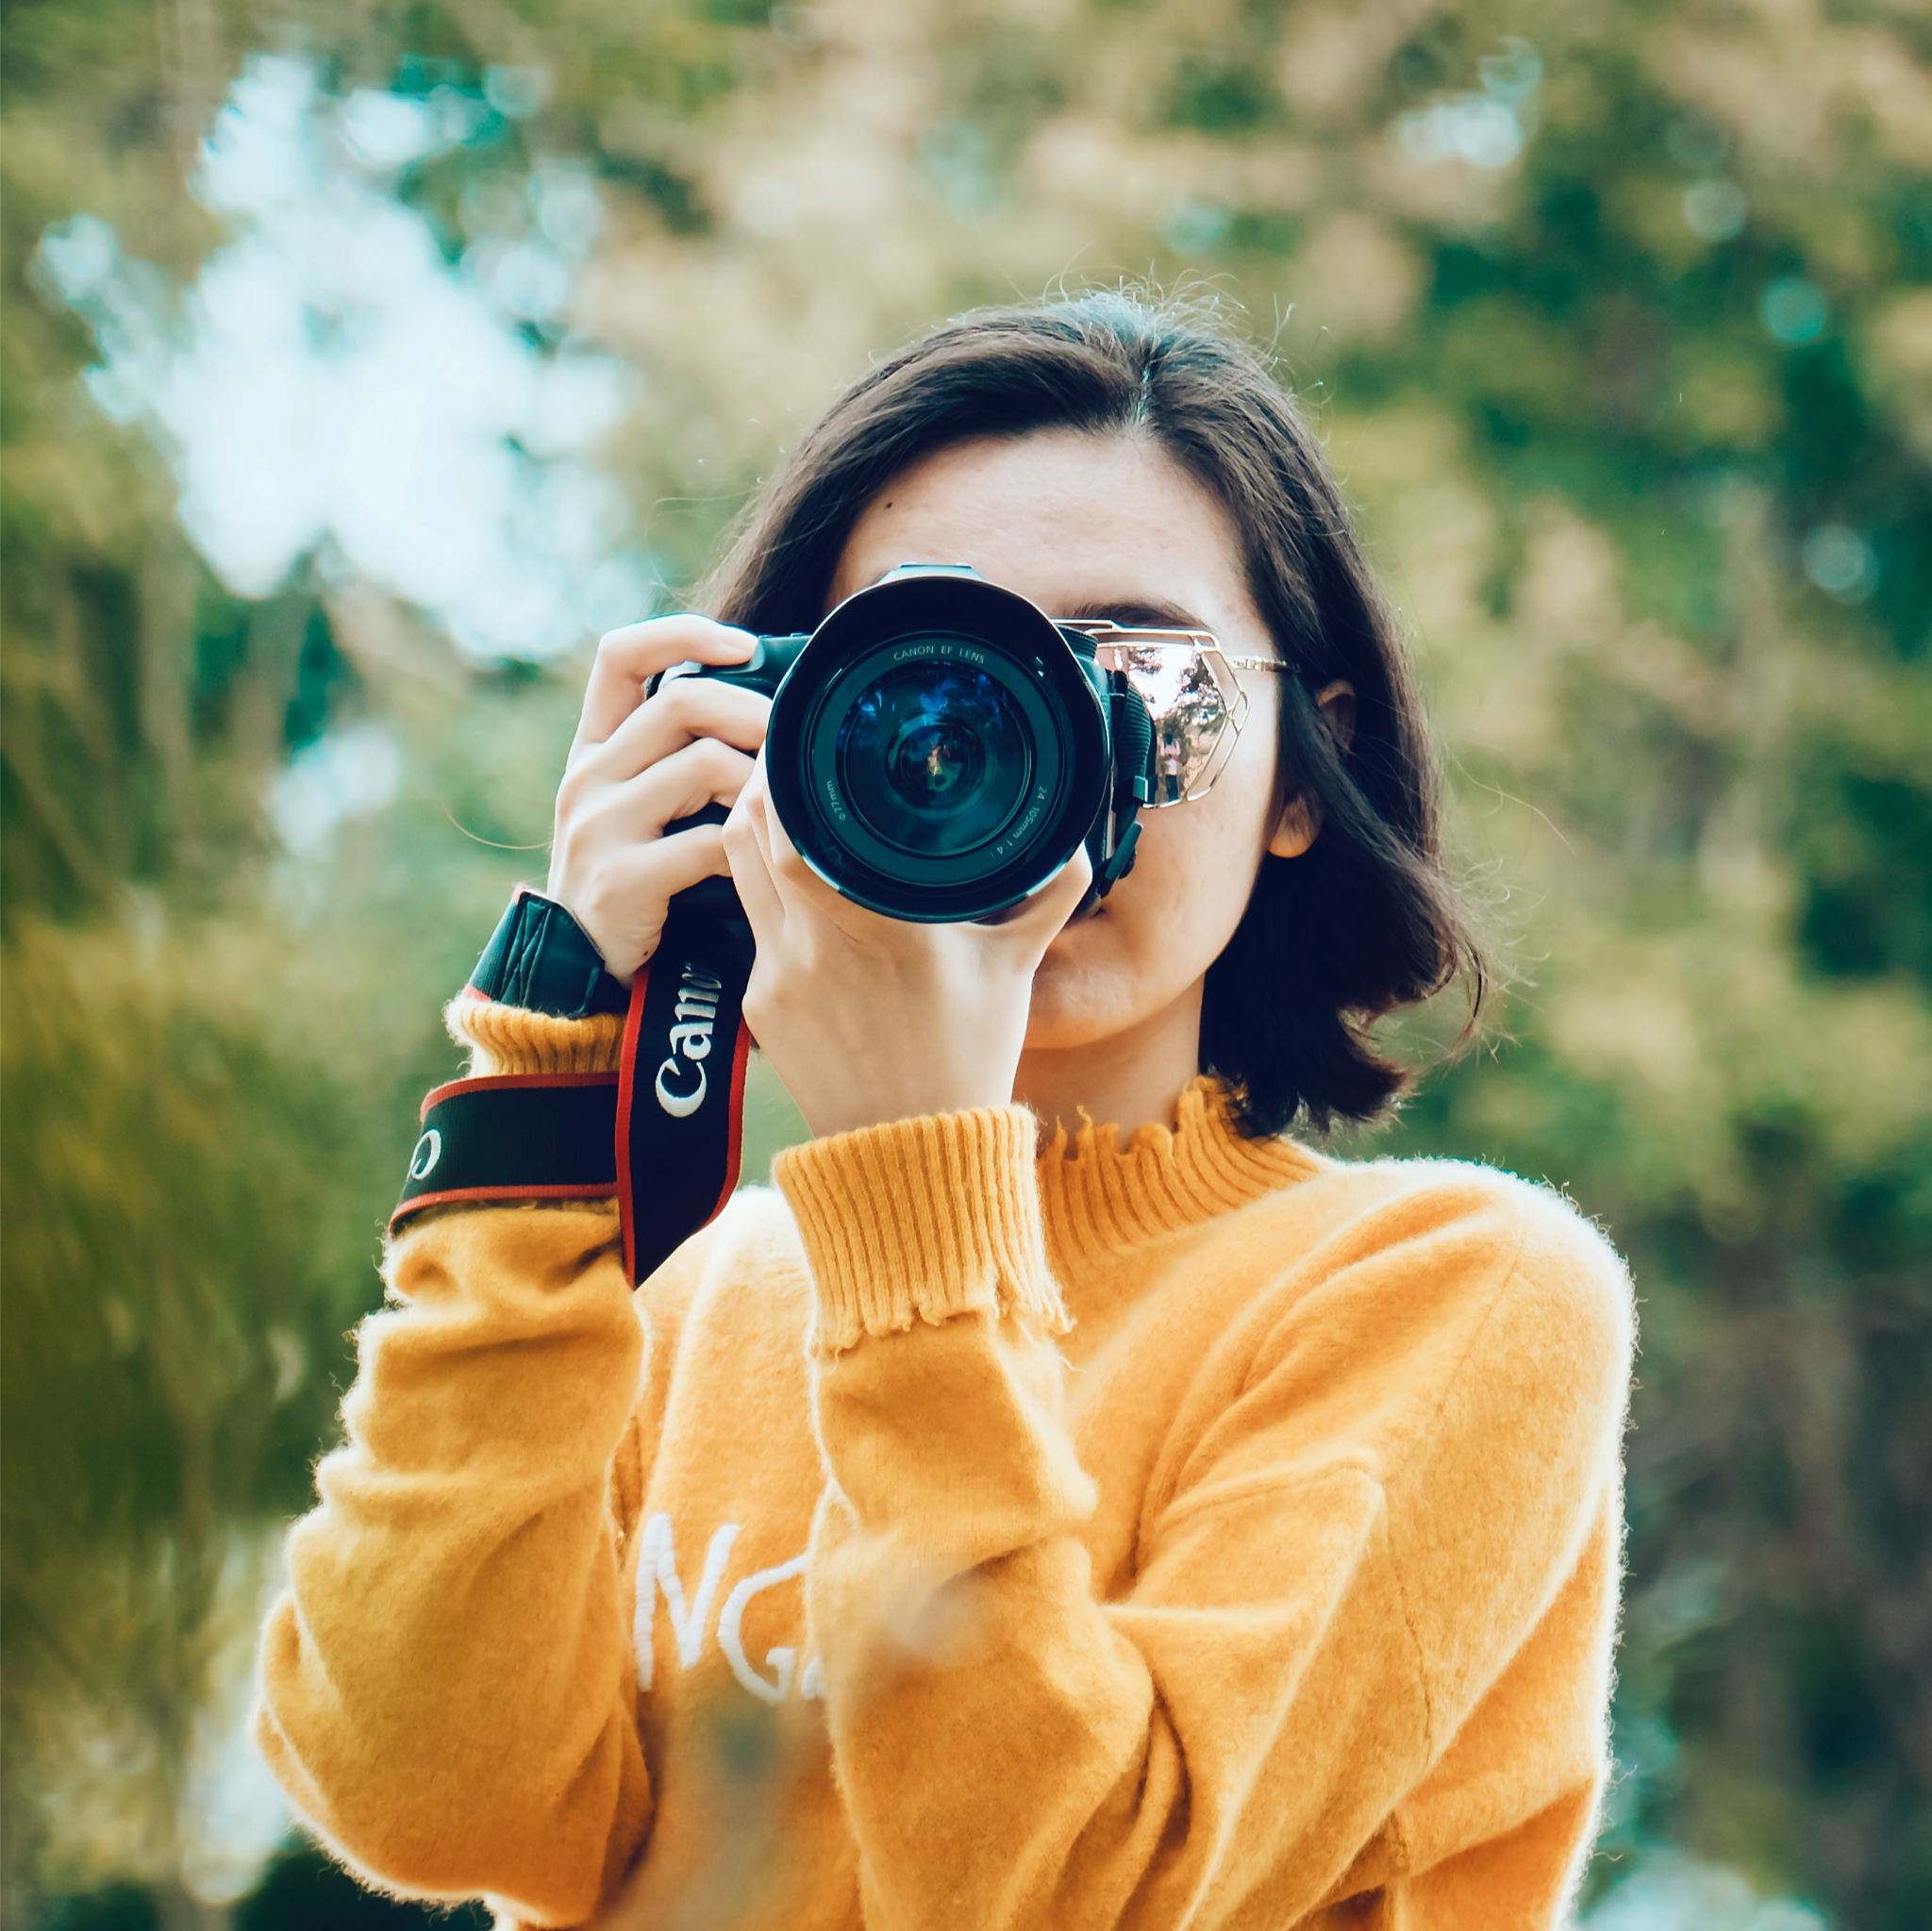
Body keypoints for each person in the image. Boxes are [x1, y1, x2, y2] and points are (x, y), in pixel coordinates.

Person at [256, 292, 1633, 1931]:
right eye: (928, 676)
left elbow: (1067, 1893)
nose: (1021, 745)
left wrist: (914, 1194)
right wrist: (549, 1061)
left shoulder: (1457, 1296)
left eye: (1136, 670)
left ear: (1297, 775)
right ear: (769, 731)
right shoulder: (686, 1299)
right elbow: (417, 1790)